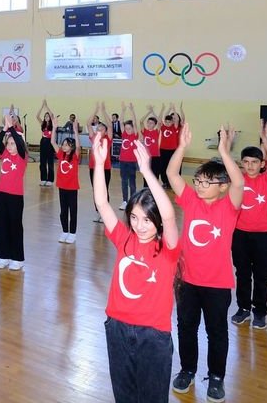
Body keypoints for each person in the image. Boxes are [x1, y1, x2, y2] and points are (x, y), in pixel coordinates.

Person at [91, 133, 180, 403]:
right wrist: (98, 161)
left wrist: (147, 172)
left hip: (152, 335)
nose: (140, 225)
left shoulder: (169, 248)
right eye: (134, 218)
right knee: (125, 396)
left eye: (146, 219)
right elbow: (102, 203)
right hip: (117, 328)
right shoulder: (124, 238)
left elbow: (168, 214)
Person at [166, 124, 244, 403]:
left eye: (206, 182)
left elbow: (239, 183)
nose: (198, 185)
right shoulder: (191, 201)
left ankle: (217, 377)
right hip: (187, 280)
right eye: (197, 180)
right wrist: (182, 147)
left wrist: (224, 151)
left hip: (217, 284)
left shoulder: (228, 207)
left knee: (216, 332)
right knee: (186, 326)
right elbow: (172, 174)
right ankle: (187, 369)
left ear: (221, 186)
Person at [231, 122, 267, 331]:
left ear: (261, 164)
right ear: (241, 164)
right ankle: (243, 308)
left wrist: (265, 138)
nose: (249, 166)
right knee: (242, 273)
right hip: (240, 235)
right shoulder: (238, 180)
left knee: (261, 275)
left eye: (254, 162)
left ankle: (260, 311)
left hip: (263, 236)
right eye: (246, 162)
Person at [0, 112, 28, 271]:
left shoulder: (22, 156)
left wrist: (13, 129)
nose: (9, 146)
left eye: (12, 144)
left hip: (15, 196)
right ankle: (4, 256)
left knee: (15, 226)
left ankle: (17, 258)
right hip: (1, 194)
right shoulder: (5, 153)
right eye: (8, 144)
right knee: (2, 225)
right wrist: (5, 130)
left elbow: (20, 144)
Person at [53, 119, 80, 243]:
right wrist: (54, 128)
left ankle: (72, 234)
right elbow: (52, 141)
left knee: (72, 211)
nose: (63, 146)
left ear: (71, 147)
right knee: (63, 211)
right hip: (62, 188)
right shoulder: (61, 155)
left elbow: (78, 146)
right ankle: (64, 231)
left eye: (65, 145)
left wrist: (75, 131)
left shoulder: (74, 157)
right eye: (63, 144)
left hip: (72, 188)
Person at [37, 99, 56, 187]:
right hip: (43, 142)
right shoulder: (43, 124)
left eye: (47, 116)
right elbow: (37, 116)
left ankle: (50, 180)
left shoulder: (52, 125)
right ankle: (43, 179)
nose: (46, 117)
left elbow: (52, 115)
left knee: (50, 162)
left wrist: (46, 106)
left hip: (50, 143)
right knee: (42, 162)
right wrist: (41, 107)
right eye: (45, 116)